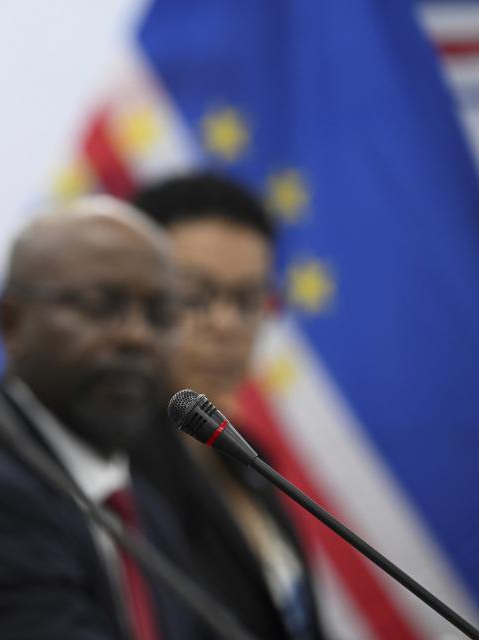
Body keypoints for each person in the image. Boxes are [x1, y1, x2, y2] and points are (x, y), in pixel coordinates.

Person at [0, 196, 211, 640]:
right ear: (11, 322)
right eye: (99, 305)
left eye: (160, 315)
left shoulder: (147, 506)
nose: (136, 336)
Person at [131, 173, 324, 640]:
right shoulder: (117, 471)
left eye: (246, 299)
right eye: (195, 295)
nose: (226, 324)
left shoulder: (248, 456)